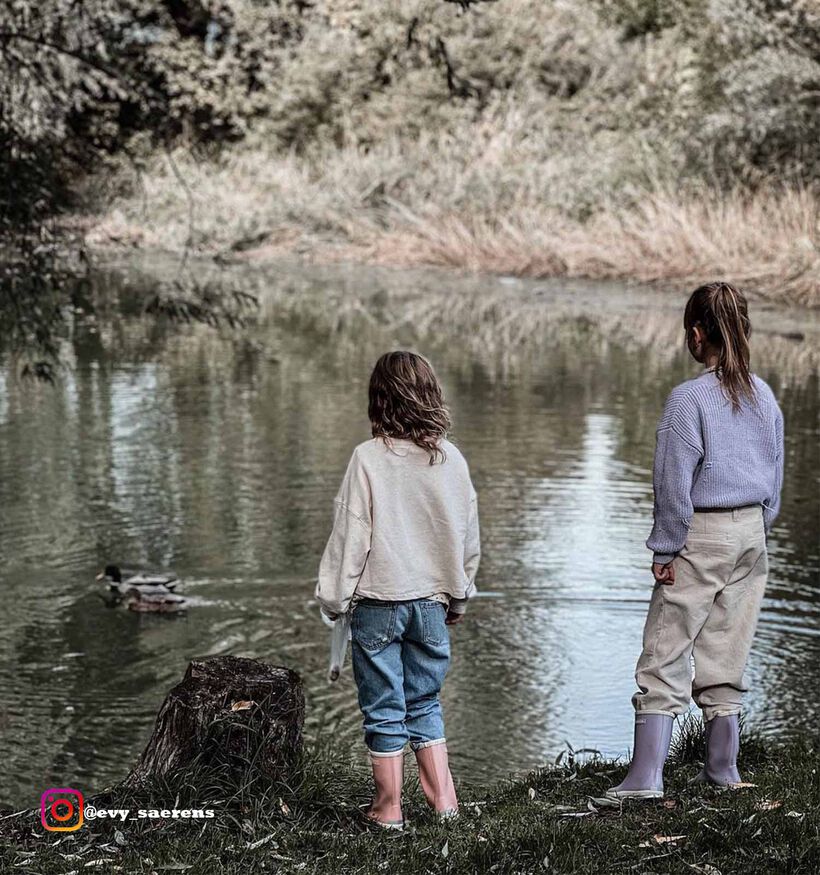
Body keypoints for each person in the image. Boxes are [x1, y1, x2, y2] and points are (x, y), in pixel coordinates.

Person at [608, 282, 785, 800]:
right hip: (752, 532)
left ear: (695, 334)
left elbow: (671, 483)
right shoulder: (765, 395)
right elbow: (774, 475)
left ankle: (645, 778)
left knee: (666, 648)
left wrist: (666, 549)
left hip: (701, 533)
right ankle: (722, 770)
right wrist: (756, 529)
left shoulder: (688, 400)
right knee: (727, 647)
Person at [316, 350, 480, 828]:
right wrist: (460, 594)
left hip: (379, 606)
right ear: (430, 396)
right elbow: (466, 533)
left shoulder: (368, 459)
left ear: (379, 401)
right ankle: (445, 806)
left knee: (385, 710)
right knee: (425, 701)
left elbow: (351, 535)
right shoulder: (451, 459)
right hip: (432, 604)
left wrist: (333, 598)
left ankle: (388, 809)